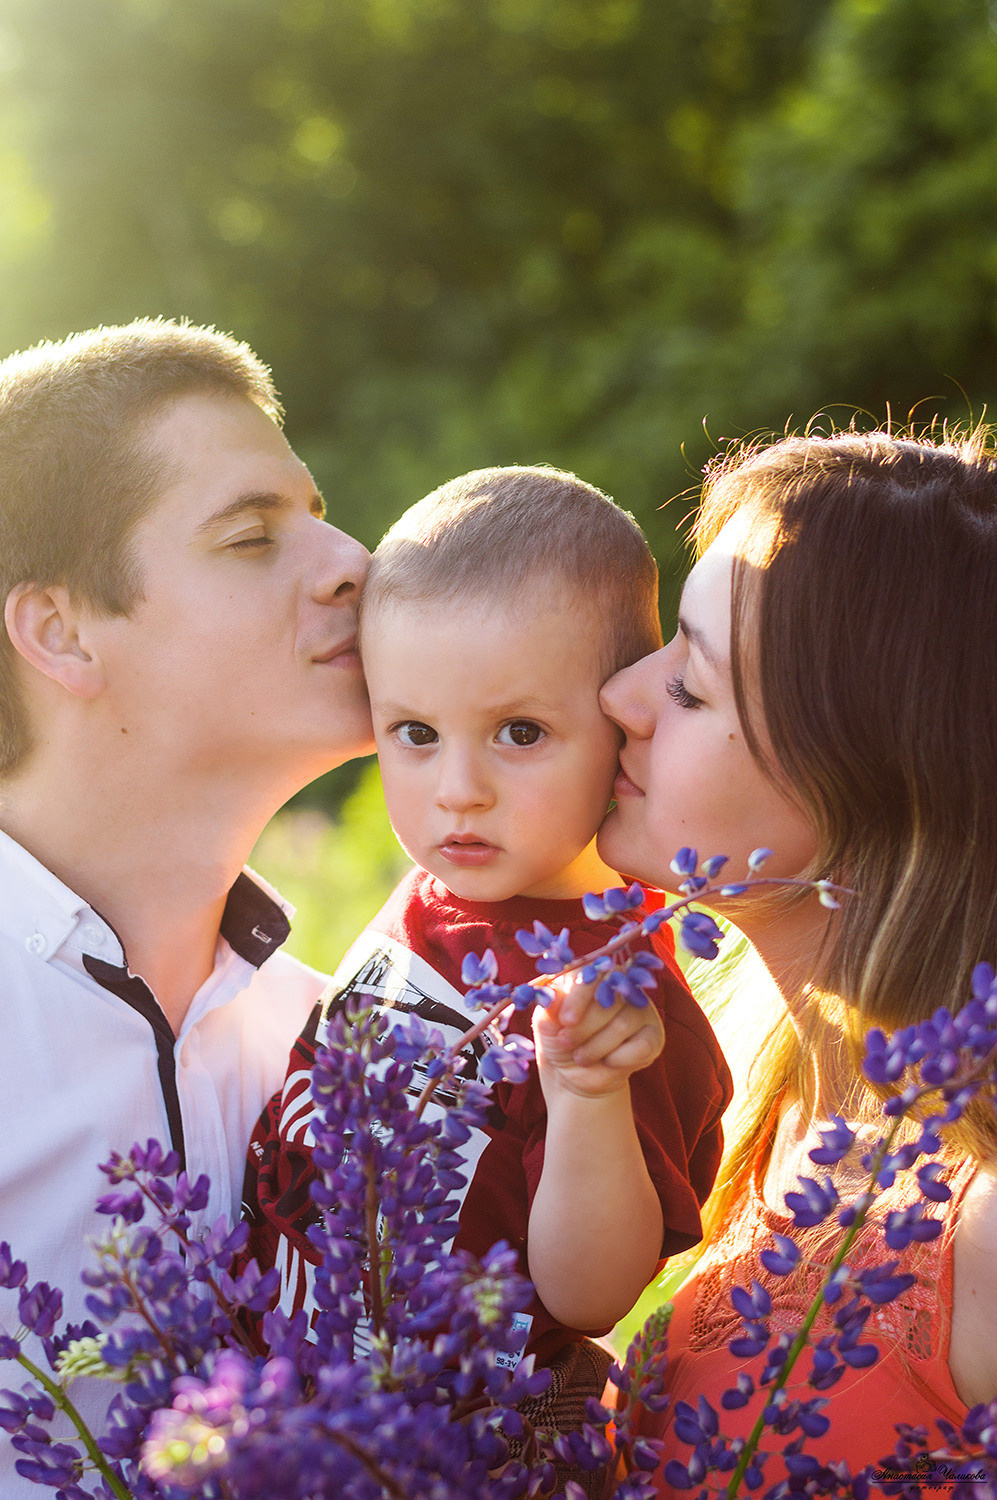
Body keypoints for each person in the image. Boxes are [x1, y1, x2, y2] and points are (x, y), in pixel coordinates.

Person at [241, 466, 733, 1448]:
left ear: (620, 723)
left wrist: (587, 1094)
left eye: (520, 733)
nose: (456, 789)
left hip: (471, 1439)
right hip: (291, 1392)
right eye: (414, 733)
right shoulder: (430, 896)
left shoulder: (616, 999)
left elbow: (590, 1295)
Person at [0, 318, 373, 1494]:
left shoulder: (344, 1038)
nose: (353, 558)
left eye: (319, 512)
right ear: (61, 631)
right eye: (253, 535)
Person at [595, 428, 997, 1486]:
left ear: (867, 777)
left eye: (691, 686)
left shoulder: (983, 1230)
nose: (622, 696)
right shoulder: (746, 1092)